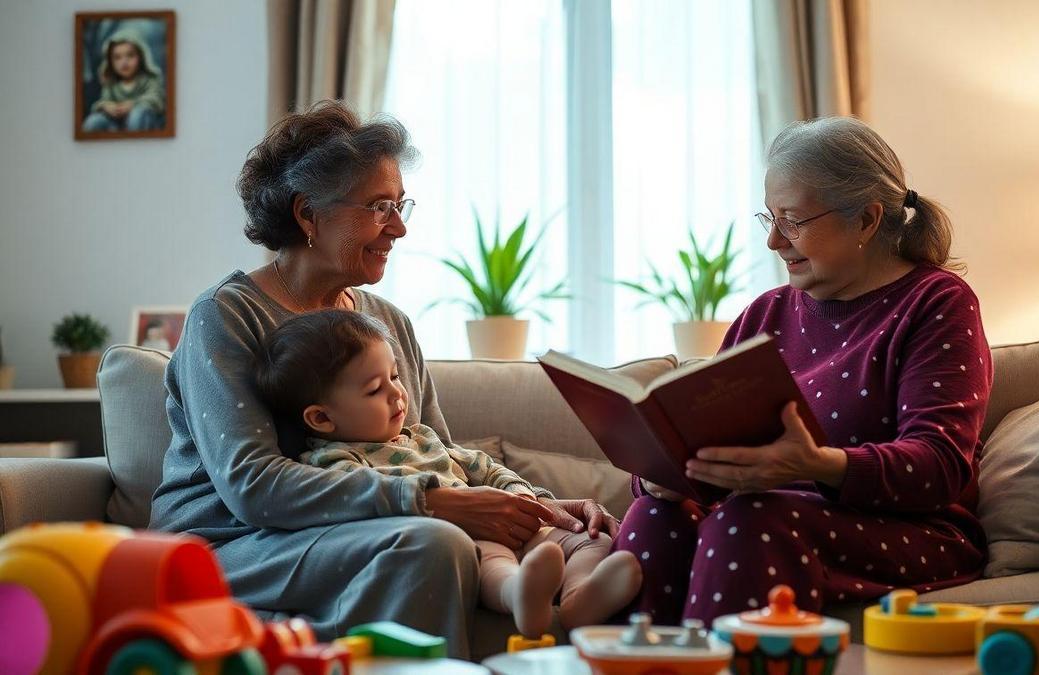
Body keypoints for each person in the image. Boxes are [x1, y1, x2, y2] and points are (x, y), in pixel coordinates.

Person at [149, 100, 620, 656]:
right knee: (436, 542)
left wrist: (544, 505)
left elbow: (434, 454)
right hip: (233, 543)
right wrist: (430, 503)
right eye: (379, 207)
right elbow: (253, 485)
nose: (398, 227)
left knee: (578, 540)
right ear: (308, 215)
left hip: (349, 532)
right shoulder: (226, 317)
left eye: (400, 205)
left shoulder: (387, 322)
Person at [615, 116, 992, 625]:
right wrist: (662, 475)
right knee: (656, 516)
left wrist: (816, 465)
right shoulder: (765, 314)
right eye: (768, 218)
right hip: (765, 517)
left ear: (866, 220)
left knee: (747, 521)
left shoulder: (935, 303)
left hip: (907, 528)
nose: (774, 241)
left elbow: (940, 465)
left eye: (792, 220)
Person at [255, 309, 642, 637]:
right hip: (470, 537)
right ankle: (520, 597)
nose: (397, 394)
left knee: (587, 541)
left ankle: (578, 601)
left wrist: (526, 497)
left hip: (516, 525)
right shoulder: (335, 461)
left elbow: (485, 468)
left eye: (395, 376)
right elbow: (365, 498)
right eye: (375, 389)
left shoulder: (422, 437)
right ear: (322, 417)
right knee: (492, 562)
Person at [82, 30, 166, 132]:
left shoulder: (149, 79)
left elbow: (157, 100)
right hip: (116, 126)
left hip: (143, 124)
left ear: (141, 57)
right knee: (93, 121)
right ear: (110, 61)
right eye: (117, 58)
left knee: (137, 113)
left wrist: (133, 105)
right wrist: (107, 106)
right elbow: (103, 101)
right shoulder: (112, 83)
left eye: (130, 55)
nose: (124, 62)